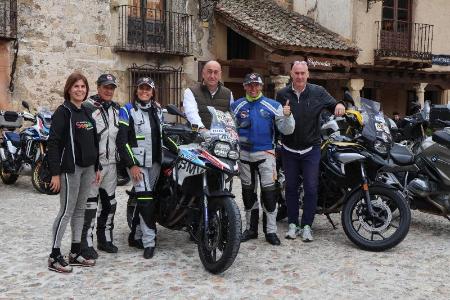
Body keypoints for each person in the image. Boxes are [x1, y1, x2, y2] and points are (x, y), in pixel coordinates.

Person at [276, 61, 345, 242]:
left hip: (311, 149)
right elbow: (277, 121)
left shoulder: (318, 92)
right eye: (296, 73)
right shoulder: (282, 94)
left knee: (311, 188)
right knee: (290, 188)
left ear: (308, 74)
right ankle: (292, 223)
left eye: (303, 73)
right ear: (291, 74)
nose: (299, 77)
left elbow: (334, 104)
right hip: (289, 149)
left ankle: (307, 225)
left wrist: (340, 105)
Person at [231, 73, 295, 246]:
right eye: (249, 85)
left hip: (266, 155)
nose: (253, 88)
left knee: (269, 194)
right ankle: (251, 229)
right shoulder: (236, 106)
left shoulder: (273, 105)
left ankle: (271, 231)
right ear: (244, 86)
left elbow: (287, 130)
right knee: (248, 194)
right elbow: (230, 129)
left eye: (256, 85)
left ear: (261, 86)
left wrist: (288, 116)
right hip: (244, 156)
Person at [47, 72, 101, 273]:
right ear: (69, 89)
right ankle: (54, 255)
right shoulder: (63, 112)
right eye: (76, 86)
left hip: (88, 169)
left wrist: (97, 167)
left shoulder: (86, 111)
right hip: (70, 169)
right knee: (66, 211)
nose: (80, 90)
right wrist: (55, 173)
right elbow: (52, 143)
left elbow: (93, 142)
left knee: (80, 211)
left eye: (83, 86)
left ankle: (76, 252)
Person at [117, 77, 163, 259]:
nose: (145, 91)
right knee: (146, 201)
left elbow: (162, 135)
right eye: (141, 88)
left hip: (155, 163)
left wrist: (181, 150)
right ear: (136, 91)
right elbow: (122, 140)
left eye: (148, 89)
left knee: (146, 198)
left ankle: (135, 235)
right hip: (138, 164)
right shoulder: (127, 110)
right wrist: (132, 164)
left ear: (152, 92)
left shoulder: (158, 110)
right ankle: (149, 242)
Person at [80, 74, 120, 259]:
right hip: (94, 166)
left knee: (109, 204)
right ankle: (85, 243)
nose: (108, 90)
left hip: (111, 165)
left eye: (111, 87)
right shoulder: (88, 108)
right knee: (90, 204)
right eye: (105, 87)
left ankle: (105, 239)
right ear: (98, 87)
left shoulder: (117, 110)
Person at [182, 60, 233, 130]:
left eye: (216, 72)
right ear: (203, 73)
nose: (212, 76)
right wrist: (201, 129)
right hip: (196, 137)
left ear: (220, 75)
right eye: (209, 72)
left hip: (221, 139)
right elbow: (191, 114)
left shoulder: (228, 93)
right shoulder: (191, 92)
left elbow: (231, 117)